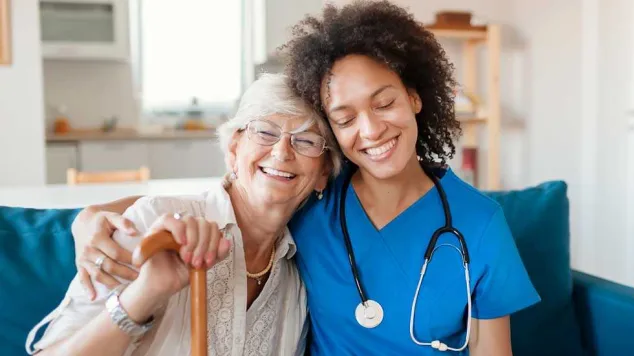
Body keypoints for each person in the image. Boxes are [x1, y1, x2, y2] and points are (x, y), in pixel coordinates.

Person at [63, 1, 540, 355]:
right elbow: (227, 196)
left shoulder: (480, 224)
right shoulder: (316, 201)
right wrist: (89, 216)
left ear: (415, 97)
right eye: (345, 117)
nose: (371, 130)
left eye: (385, 102)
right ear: (333, 132)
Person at [25, 73, 341, 356]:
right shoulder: (152, 224)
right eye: (265, 133)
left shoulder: (298, 275)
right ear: (233, 149)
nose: (282, 152)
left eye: (306, 141)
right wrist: (145, 293)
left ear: (324, 172)